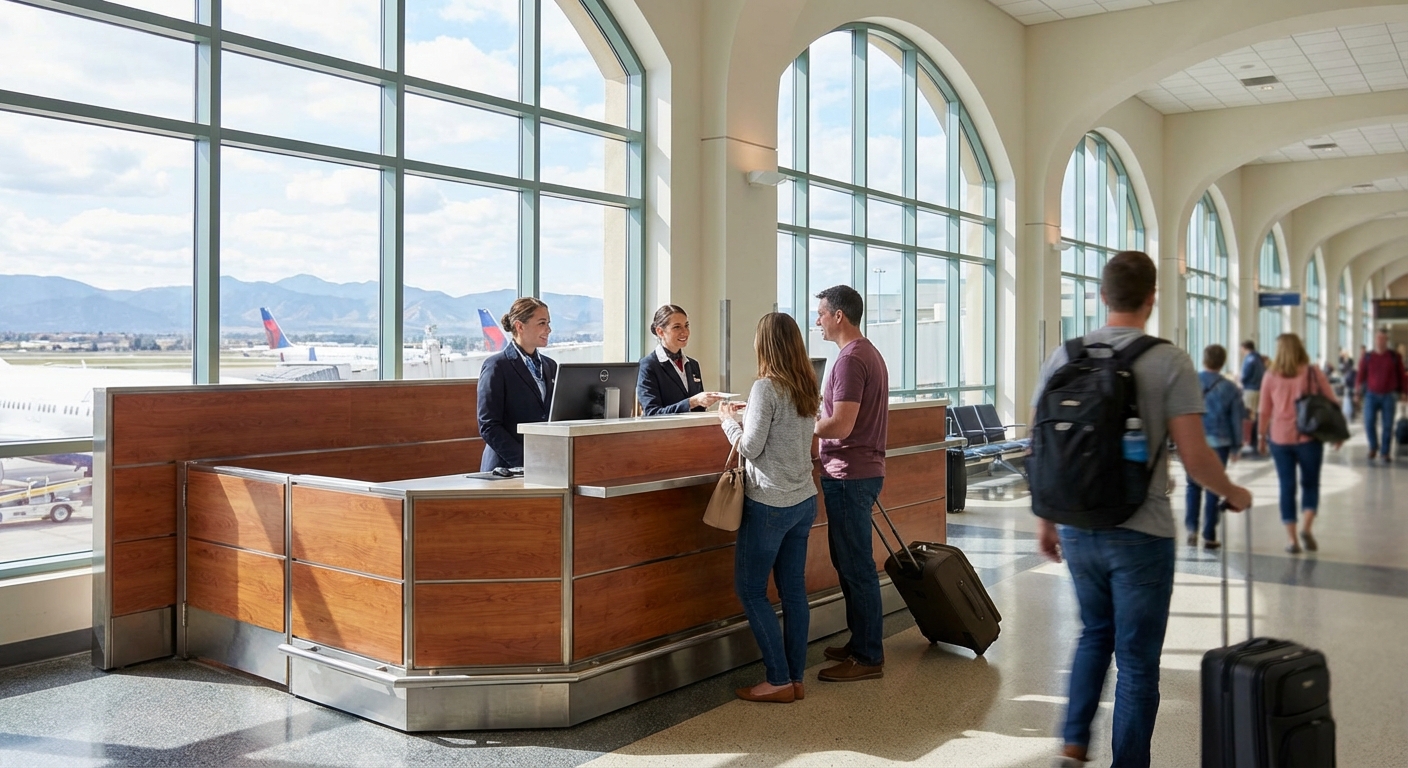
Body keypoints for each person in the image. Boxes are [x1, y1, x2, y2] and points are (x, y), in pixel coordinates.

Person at [1035, 251, 1251, 768]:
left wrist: (1047, 519)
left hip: (1078, 525)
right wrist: (1232, 492)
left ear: (1102, 296)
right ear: (1152, 298)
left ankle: (1073, 741)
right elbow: (1195, 457)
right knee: (1136, 662)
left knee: (1094, 633)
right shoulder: (1169, 361)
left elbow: (1042, 446)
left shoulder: (1064, 355)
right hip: (1142, 531)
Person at [719, 313, 821, 704]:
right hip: (803, 500)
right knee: (793, 592)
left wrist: (728, 421)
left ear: (765, 345)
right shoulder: (805, 385)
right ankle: (795, 678)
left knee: (751, 590)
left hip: (770, 505)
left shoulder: (766, 386)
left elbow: (750, 447)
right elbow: (785, 433)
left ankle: (778, 679)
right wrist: (750, 414)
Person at [813, 284, 889, 683]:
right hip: (859, 472)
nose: (818, 321)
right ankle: (861, 640)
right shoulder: (867, 353)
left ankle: (867, 656)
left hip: (849, 475)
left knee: (856, 567)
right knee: (849, 563)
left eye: (822, 314)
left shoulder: (849, 360)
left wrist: (805, 422)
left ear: (839, 315)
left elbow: (841, 425)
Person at [1260, 333, 1339, 553]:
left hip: (1280, 438)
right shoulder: (1312, 372)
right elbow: (1332, 402)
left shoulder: (1270, 375)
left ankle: (1292, 540)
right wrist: (1337, 434)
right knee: (1310, 484)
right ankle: (1307, 527)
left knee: (1286, 486)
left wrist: (1260, 437)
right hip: (1309, 436)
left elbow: (1264, 410)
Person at [476, 298, 557, 471]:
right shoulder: (496, 366)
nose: (548, 329)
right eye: (542, 323)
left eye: (548, 323)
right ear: (520, 326)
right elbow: (489, 426)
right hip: (504, 469)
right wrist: (525, 460)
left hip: (543, 466)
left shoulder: (550, 366)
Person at [1186, 344, 1244, 550]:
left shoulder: (1190, 382)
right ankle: (1209, 534)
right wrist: (1236, 447)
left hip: (1193, 440)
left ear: (1204, 360)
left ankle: (1191, 529)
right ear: (1223, 362)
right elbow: (1236, 420)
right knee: (1214, 487)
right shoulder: (1230, 388)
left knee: (1193, 485)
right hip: (1220, 443)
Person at [637, 304, 724, 416]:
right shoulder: (648, 365)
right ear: (660, 332)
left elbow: (698, 411)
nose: (685, 332)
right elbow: (652, 413)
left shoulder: (693, 365)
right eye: (677, 327)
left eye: (686, 325)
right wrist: (692, 402)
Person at [1356, 328, 1407, 464]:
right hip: (1371, 395)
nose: (1380, 341)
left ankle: (1385, 452)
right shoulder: (1368, 357)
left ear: (1387, 340)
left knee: (1388, 425)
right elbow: (1360, 375)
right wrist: (1357, 392)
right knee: (1368, 422)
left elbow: (1401, 375)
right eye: (1378, 338)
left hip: (1389, 395)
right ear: (1375, 340)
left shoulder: (1394, 357)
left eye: (1383, 338)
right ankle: (1373, 446)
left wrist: (1404, 392)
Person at [1240, 340, 1265, 455]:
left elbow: (1245, 375)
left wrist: (1240, 380)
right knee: (1256, 415)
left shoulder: (1249, 359)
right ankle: (1255, 441)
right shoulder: (1259, 358)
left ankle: (1250, 442)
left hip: (1250, 390)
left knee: (1249, 416)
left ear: (1244, 348)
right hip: (1259, 389)